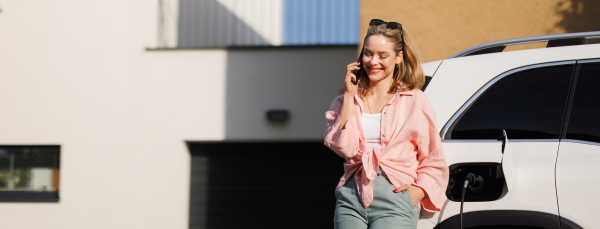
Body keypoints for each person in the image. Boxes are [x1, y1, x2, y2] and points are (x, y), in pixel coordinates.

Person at [324, 19, 449, 229]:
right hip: (352, 197)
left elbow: (433, 157)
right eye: (368, 53)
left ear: (399, 57)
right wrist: (348, 95)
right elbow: (343, 147)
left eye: (383, 56)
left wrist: (419, 192)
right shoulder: (348, 100)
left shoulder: (414, 100)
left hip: (395, 198)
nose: (374, 61)